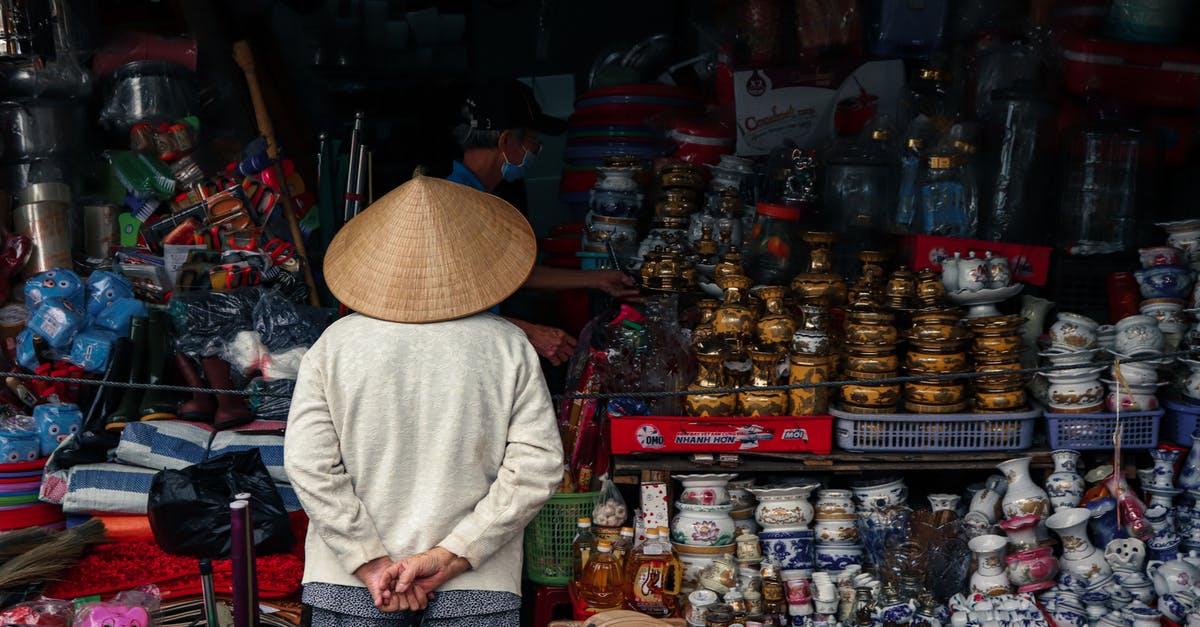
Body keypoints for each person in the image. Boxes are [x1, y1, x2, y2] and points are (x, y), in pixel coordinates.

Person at [284, 176, 564, 626]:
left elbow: (308, 464)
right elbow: (537, 466)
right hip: (476, 584)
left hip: (351, 585)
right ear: (473, 260)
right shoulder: (508, 346)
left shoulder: (335, 345)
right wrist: (453, 555)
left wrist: (369, 561)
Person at [448, 79, 639, 365]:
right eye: (532, 141)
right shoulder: (454, 204)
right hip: (462, 356)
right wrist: (528, 333)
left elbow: (511, 273)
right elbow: (443, 308)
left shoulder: (479, 197)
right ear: (505, 141)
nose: (536, 149)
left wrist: (598, 280)